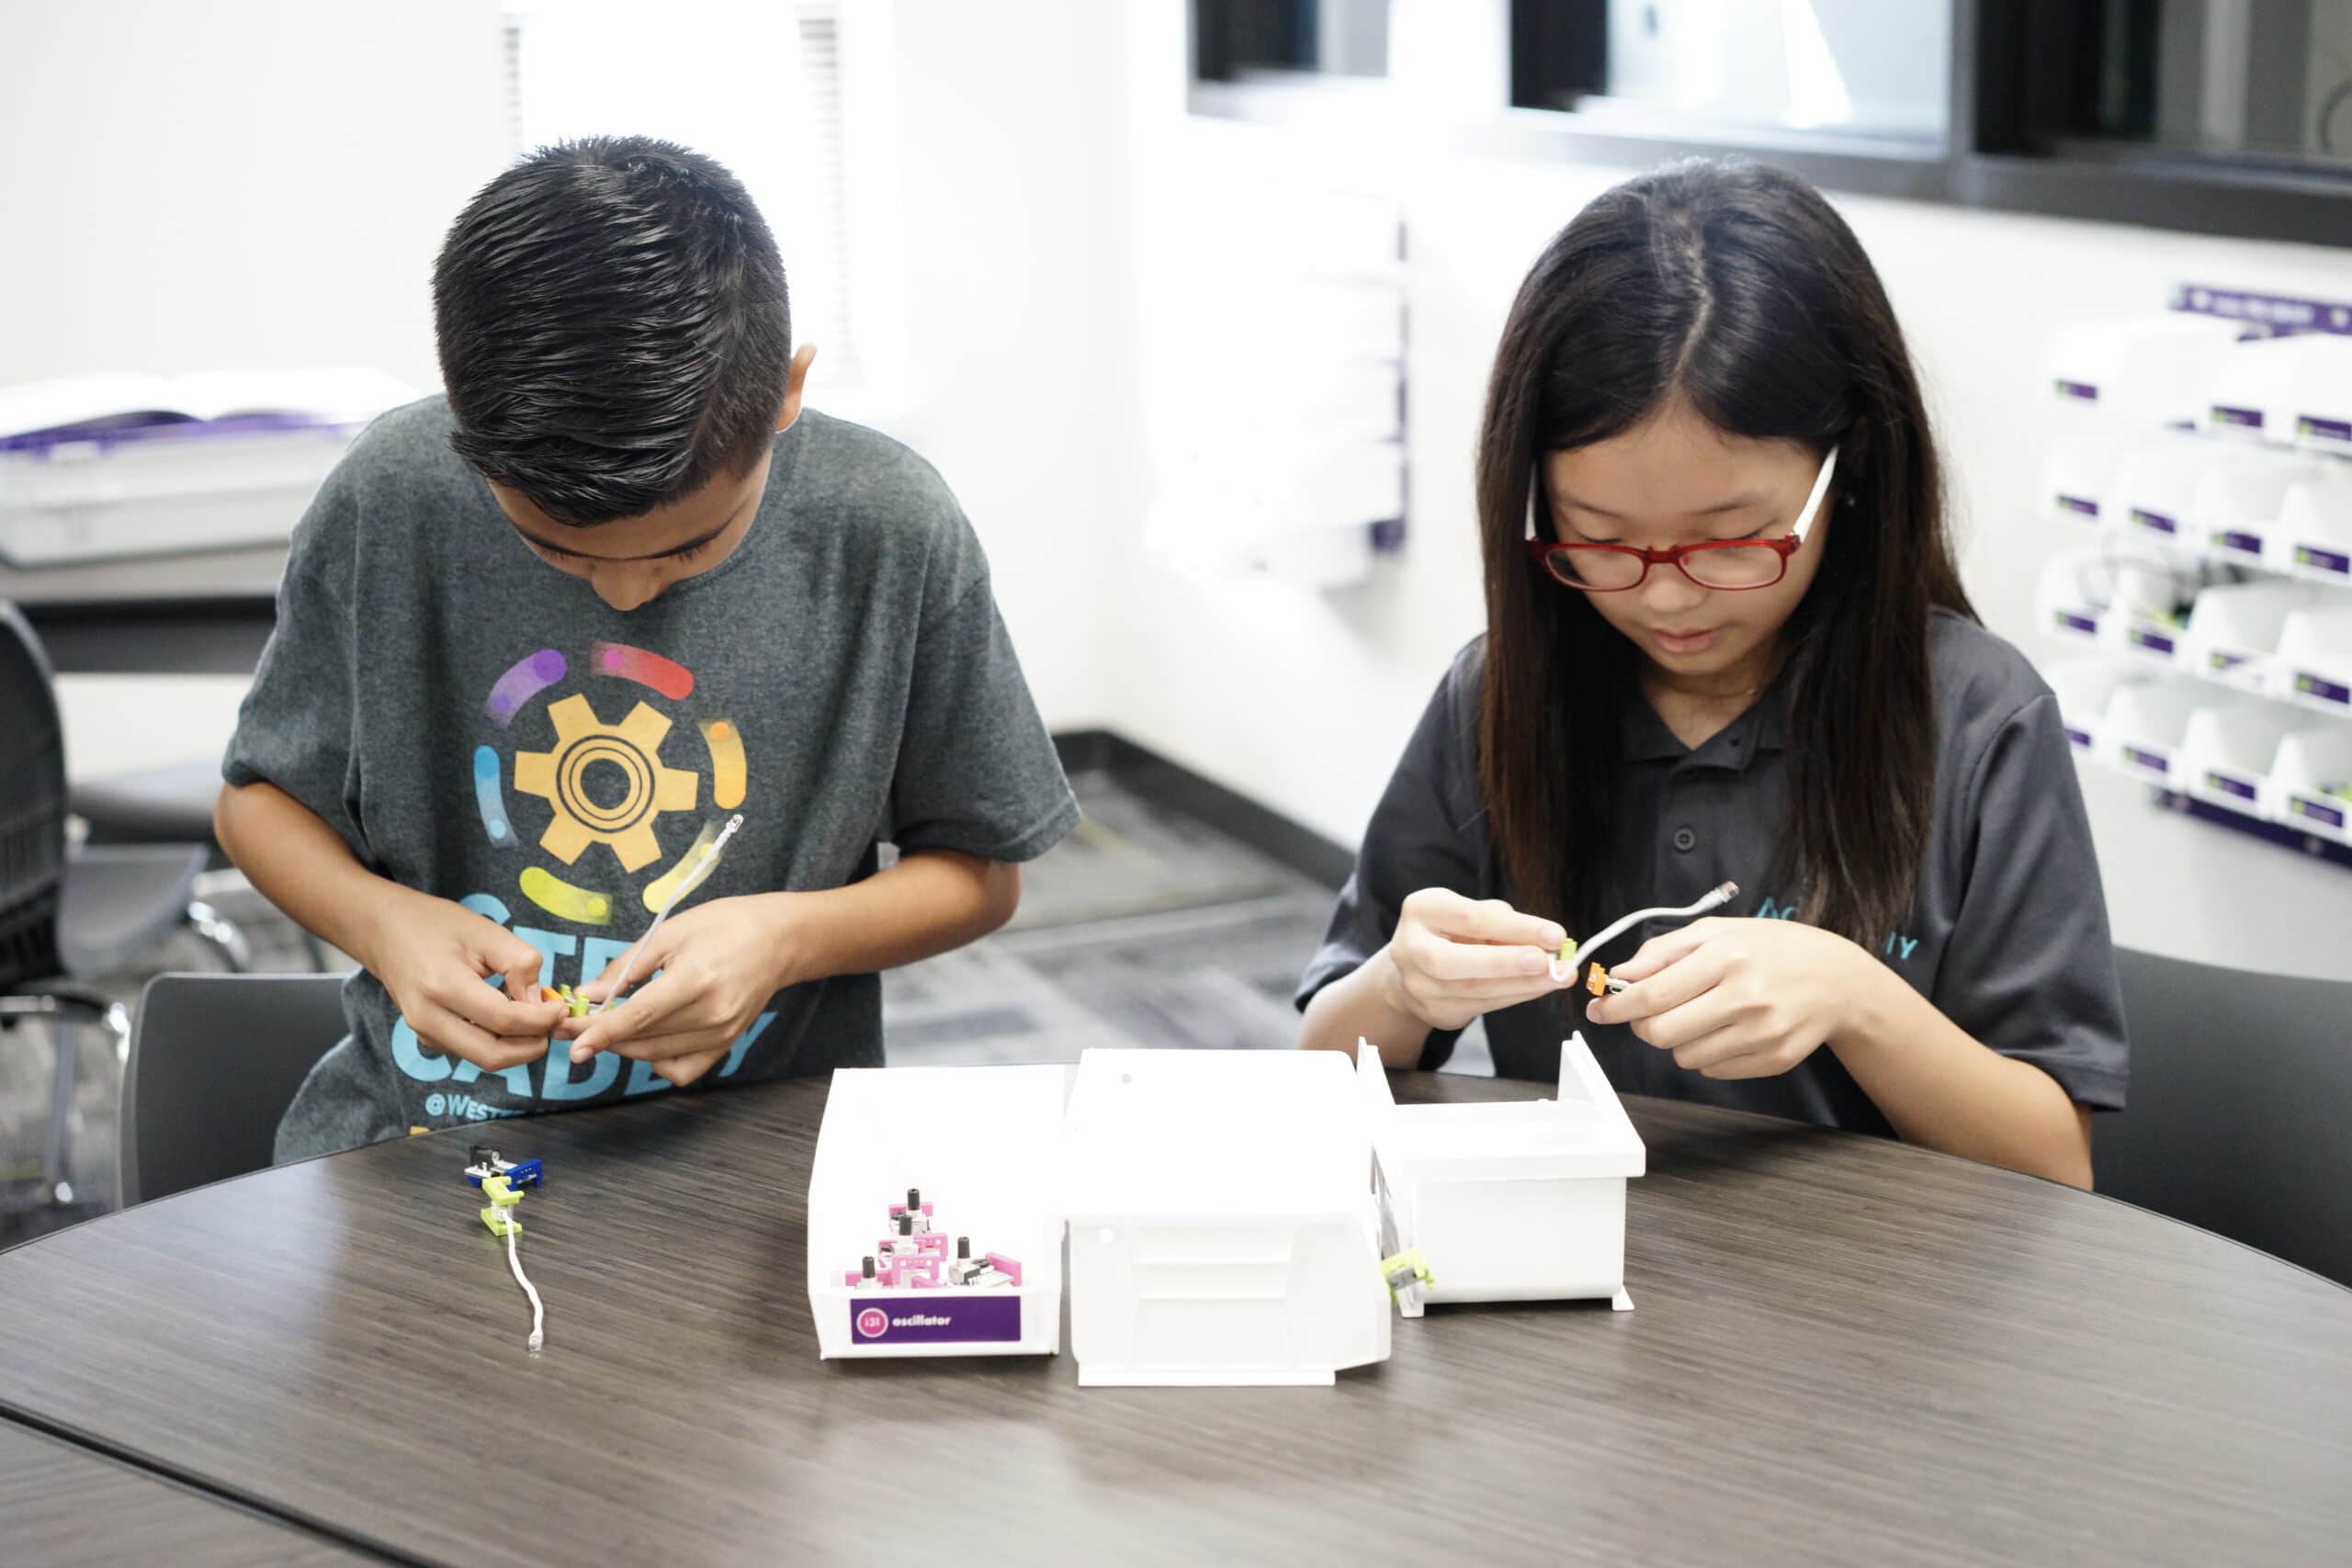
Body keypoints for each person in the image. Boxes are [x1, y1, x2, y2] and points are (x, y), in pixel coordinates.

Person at [219, 138, 1077, 1160]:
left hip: (758, 1156)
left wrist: (789, 936)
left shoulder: (887, 528)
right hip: (415, 1145)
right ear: (463, 423)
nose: (626, 591)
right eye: (554, 551)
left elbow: (981, 871)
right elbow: (257, 802)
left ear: (789, 391)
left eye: (690, 547)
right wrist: (380, 924)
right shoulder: (391, 497)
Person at [1297, 160, 2123, 1187]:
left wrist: (1854, 997)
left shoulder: (1974, 719)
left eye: (1730, 542)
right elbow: (1315, 1078)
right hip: (1571, 1277)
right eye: (1597, 540)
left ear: (1850, 462)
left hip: (1886, 1310)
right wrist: (1401, 986)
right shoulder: (1501, 696)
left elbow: (2055, 1167)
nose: (1666, 598)